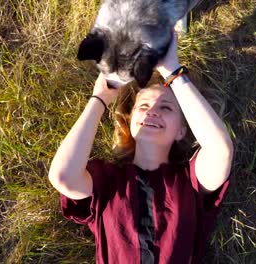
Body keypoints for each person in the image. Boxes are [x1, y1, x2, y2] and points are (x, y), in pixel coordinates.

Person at [48, 32, 234, 264]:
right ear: (130, 120)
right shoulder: (107, 182)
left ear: (181, 130)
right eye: (143, 105)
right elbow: (64, 177)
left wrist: (172, 70)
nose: (152, 111)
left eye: (166, 108)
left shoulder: (190, 182)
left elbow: (221, 151)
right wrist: (100, 99)